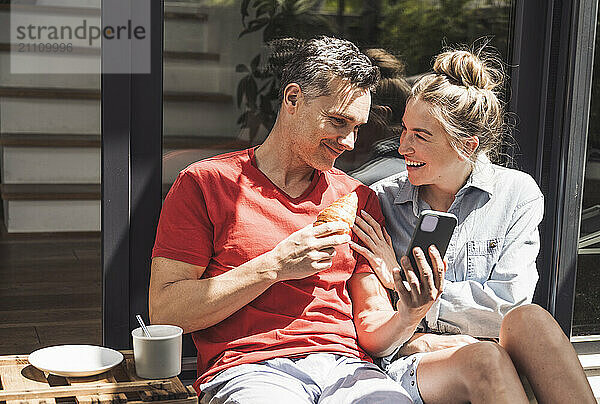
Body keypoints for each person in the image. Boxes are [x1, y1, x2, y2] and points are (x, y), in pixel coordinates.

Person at [149, 36, 448, 404]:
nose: (350, 142)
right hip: (250, 368)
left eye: (358, 127)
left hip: (348, 367)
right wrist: (275, 265)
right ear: (293, 99)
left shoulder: (358, 199)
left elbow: (372, 326)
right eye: (339, 122)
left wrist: (410, 310)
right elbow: (167, 312)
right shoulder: (207, 184)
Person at [351, 46, 596, 403]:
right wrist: (429, 322)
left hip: (494, 345)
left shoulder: (516, 193)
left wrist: (406, 282)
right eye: (403, 129)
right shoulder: (381, 200)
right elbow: (375, 323)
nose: (402, 146)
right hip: (418, 356)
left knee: (531, 319)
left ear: (467, 145)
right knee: (485, 357)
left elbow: (508, 304)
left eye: (421, 135)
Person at [334, 48, 410, 184]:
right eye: (339, 121)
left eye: (357, 125)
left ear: (382, 115)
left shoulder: (366, 181)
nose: (347, 139)